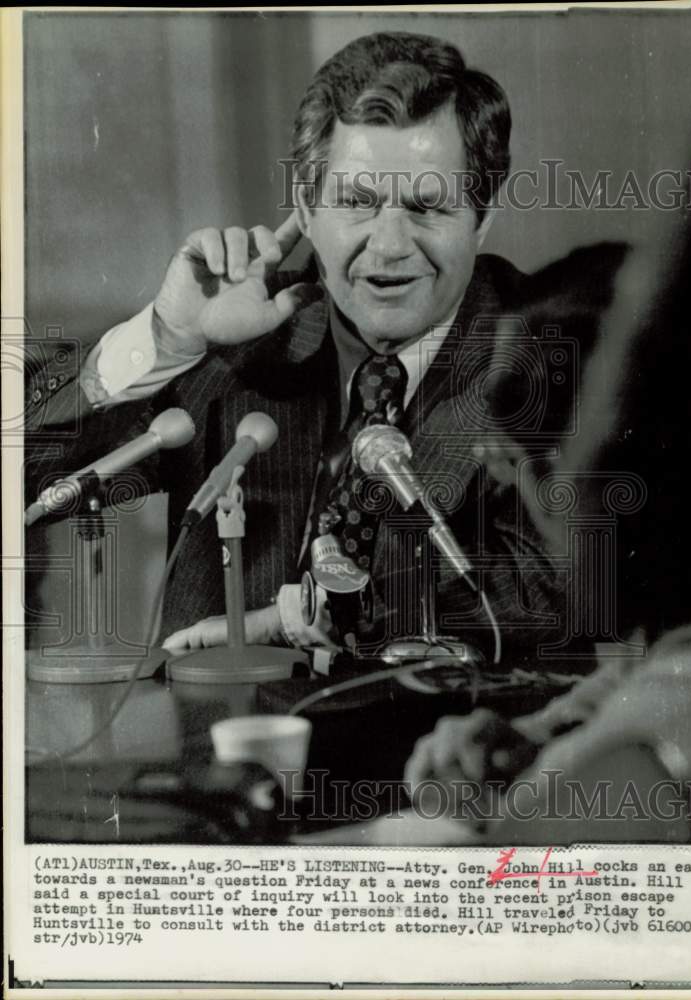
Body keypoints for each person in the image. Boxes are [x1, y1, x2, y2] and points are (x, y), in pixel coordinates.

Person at [25, 31, 623, 665]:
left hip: (450, 756)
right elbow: (23, 475)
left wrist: (298, 617)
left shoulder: (546, 347)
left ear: (483, 219)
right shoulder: (240, 336)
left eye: (427, 207)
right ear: (306, 212)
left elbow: (568, 582)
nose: (390, 245)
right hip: (221, 751)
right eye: (357, 204)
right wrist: (167, 337)